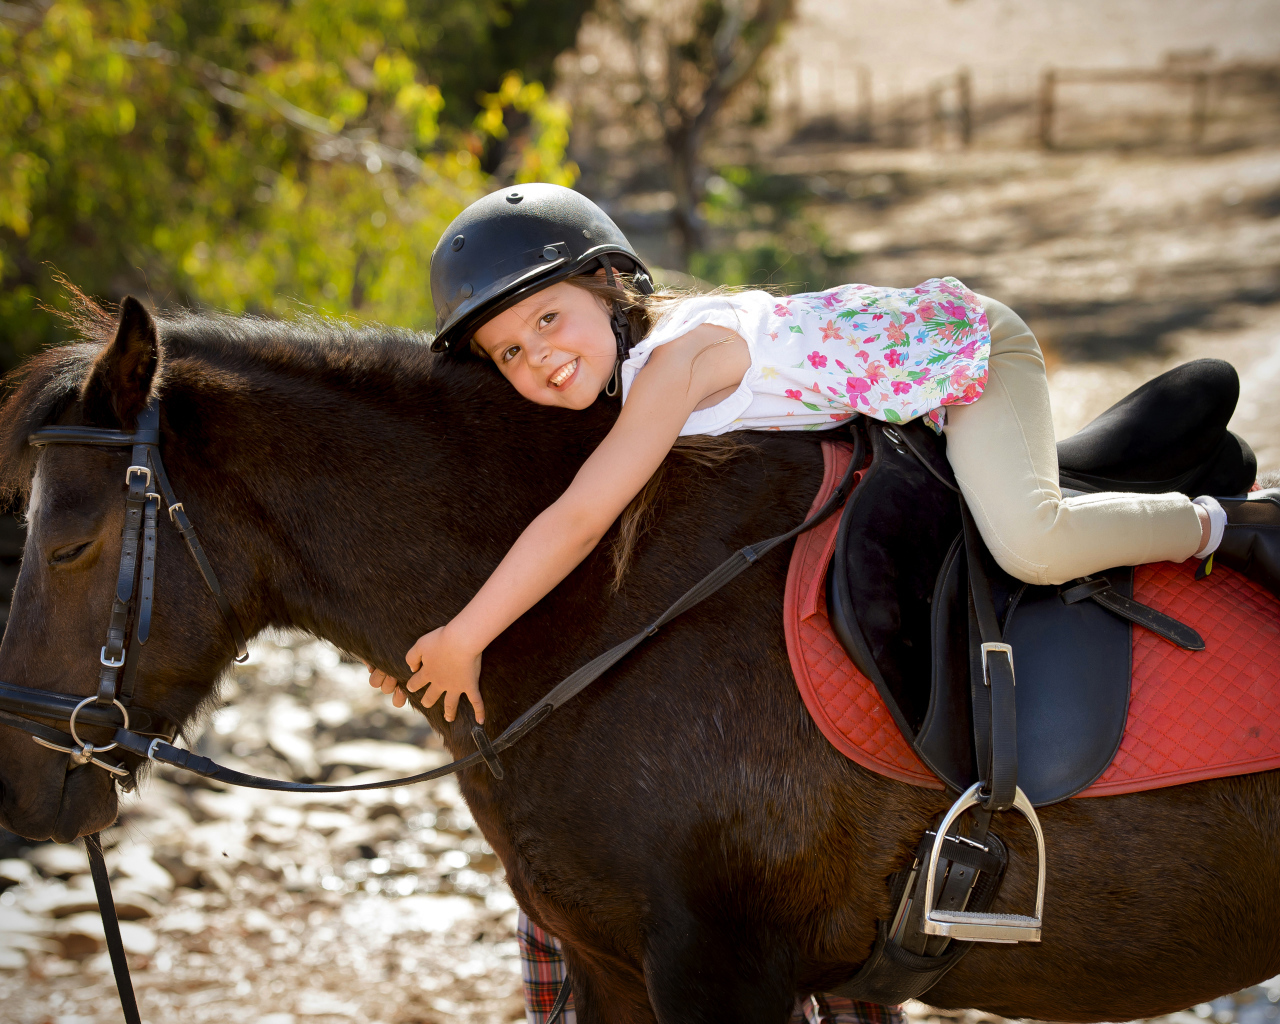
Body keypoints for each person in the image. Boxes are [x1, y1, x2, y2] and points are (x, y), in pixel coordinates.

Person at [367, 182, 1227, 723]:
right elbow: (539, 507)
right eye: (509, 353)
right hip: (896, 405)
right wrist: (422, 639)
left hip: (966, 356)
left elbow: (582, 517)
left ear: (608, 285)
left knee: (1030, 542)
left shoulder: (678, 359)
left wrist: (470, 635)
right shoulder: (620, 379)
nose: (539, 357)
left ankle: (1225, 528)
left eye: (547, 319)